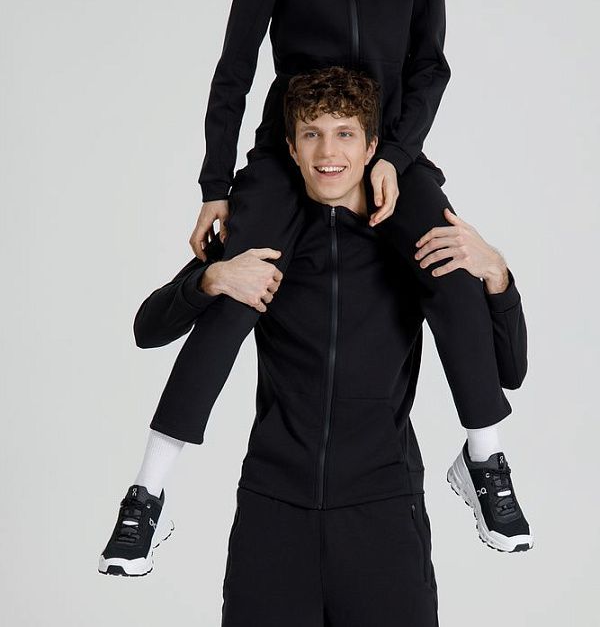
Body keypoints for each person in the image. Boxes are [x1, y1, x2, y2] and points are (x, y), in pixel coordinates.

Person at [135, 0, 524, 521]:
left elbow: (429, 65)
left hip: (386, 152)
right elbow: (233, 70)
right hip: (290, 157)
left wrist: (394, 158)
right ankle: (148, 491)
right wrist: (215, 186)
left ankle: (484, 459)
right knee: (240, 286)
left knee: (447, 262)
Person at [99, 69, 532, 625]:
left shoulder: (410, 244)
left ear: (373, 149)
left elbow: (509, 370)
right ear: (291, 147)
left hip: (383, 515)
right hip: (273, 514)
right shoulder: (265, 242)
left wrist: (497, 273)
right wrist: (210, 279)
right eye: (312, 134)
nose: (329, 153)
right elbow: (147, 329)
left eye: (345, 134)